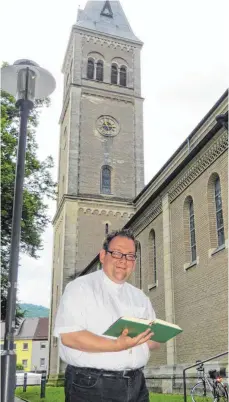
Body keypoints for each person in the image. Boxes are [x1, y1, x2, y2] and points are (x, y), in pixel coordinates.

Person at [54, 229, 160, 402]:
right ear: (103, 256)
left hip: (137, 384)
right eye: (117, 253)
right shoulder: (80, 288)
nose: (123, 261)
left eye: (130, 256)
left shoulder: (140, 296)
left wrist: (154, 337)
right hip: (92, 385)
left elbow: (152, 342)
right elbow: (70, 337)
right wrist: (117, 344)